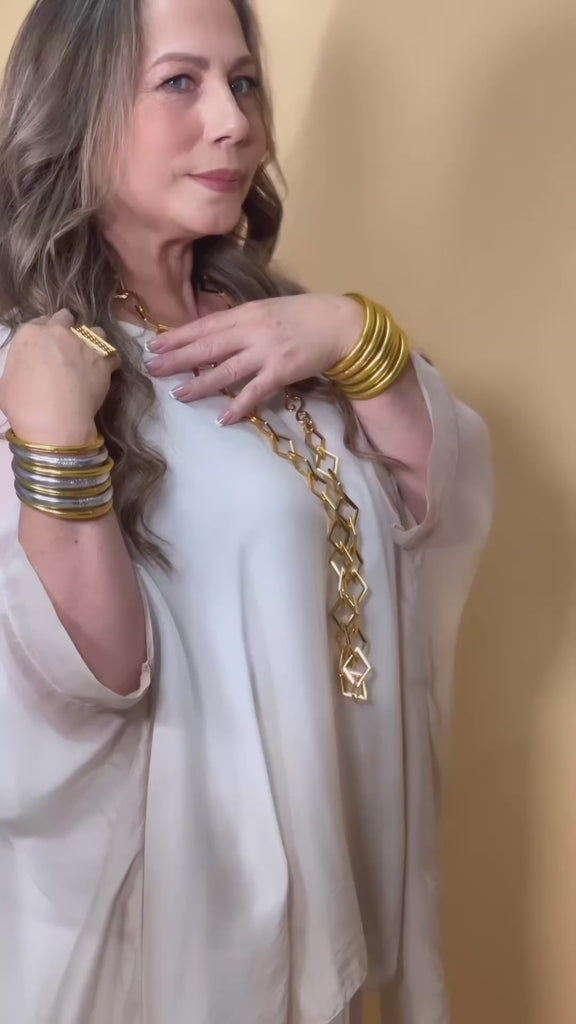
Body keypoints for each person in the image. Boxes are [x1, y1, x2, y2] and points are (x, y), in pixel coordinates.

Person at [0, 0, 493, 1021]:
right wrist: (56, 439)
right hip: (169, 943)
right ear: (77, 106)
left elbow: (426, 506)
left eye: (243, 83)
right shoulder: (35, 363)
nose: (234, 122)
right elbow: (87, 682)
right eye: (180, 83)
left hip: (329, 887)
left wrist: (355, 335)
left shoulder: (281, 328)